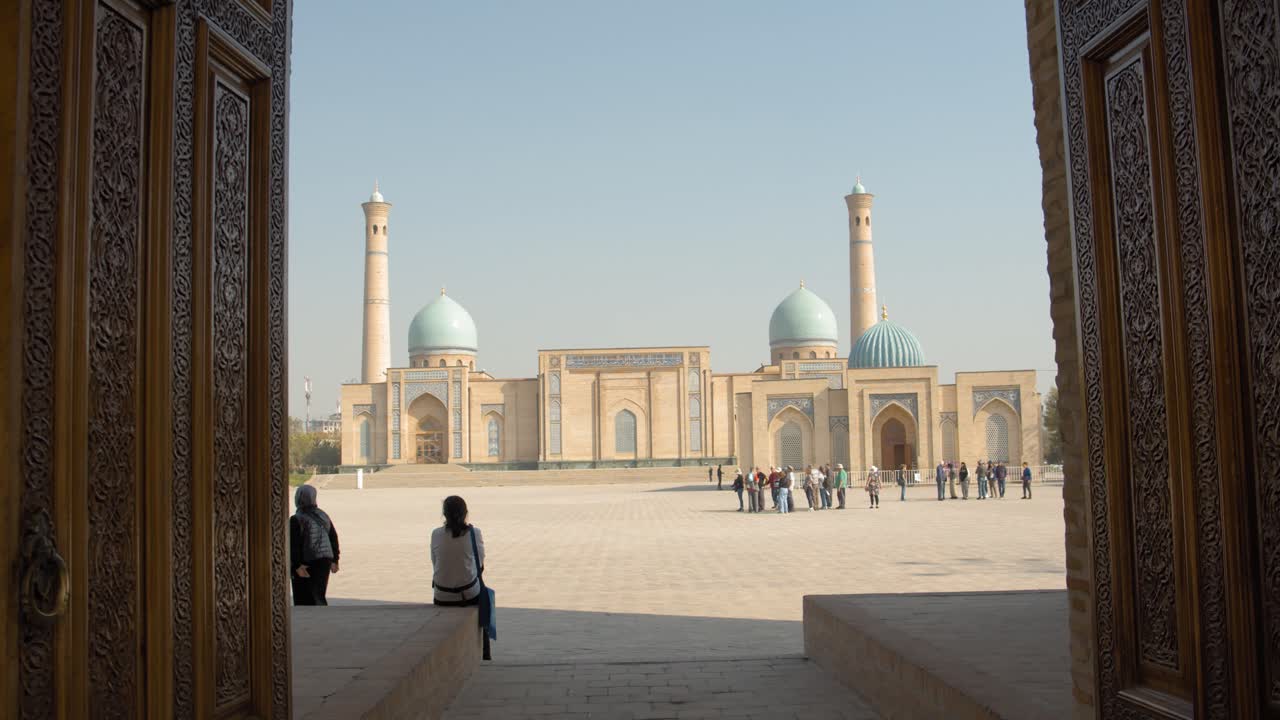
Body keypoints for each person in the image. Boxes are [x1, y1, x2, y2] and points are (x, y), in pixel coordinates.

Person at [431, 495, 491, 660]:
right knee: (484, 598)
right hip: (468, 594)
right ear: (465, 513)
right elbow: (480, 565)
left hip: (441, 595)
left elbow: (435, 562)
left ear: (444, 514)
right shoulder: (474, 533)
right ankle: (485, 651)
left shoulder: (436, 534)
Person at [290, 485, 339, 606]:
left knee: (303, 598)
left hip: (306, 563)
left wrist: (297, 565)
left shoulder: (297, 519)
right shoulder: (323, 515)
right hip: (324, 561)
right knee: (318, 594)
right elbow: (333, 537)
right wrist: (334, 560)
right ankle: (321, 619)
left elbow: (294, 545)